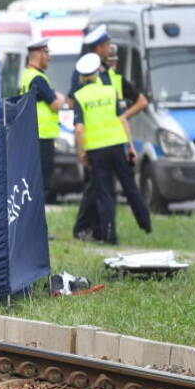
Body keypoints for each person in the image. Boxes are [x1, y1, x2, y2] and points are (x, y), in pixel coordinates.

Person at [69, 27, 151, 241]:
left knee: (103, 192)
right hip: (117, 143)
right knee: (126, 185)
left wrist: (81, 151)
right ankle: (145, 222)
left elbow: (79, 128)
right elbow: (122, 118)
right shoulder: (109, 90)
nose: (110, 53)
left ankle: (107, 234)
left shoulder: (82, 93)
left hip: (95, 147)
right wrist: (130, 146)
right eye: (106, 47)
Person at [18, 37, 66, 200]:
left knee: (32, 179)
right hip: (42, 135)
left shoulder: (25, 76)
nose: (49, 57)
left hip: (31, 134)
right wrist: (62, 98)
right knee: (42, 181)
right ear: (39, 54)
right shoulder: (38, 78)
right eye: (47, 52)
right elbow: (55, 104)